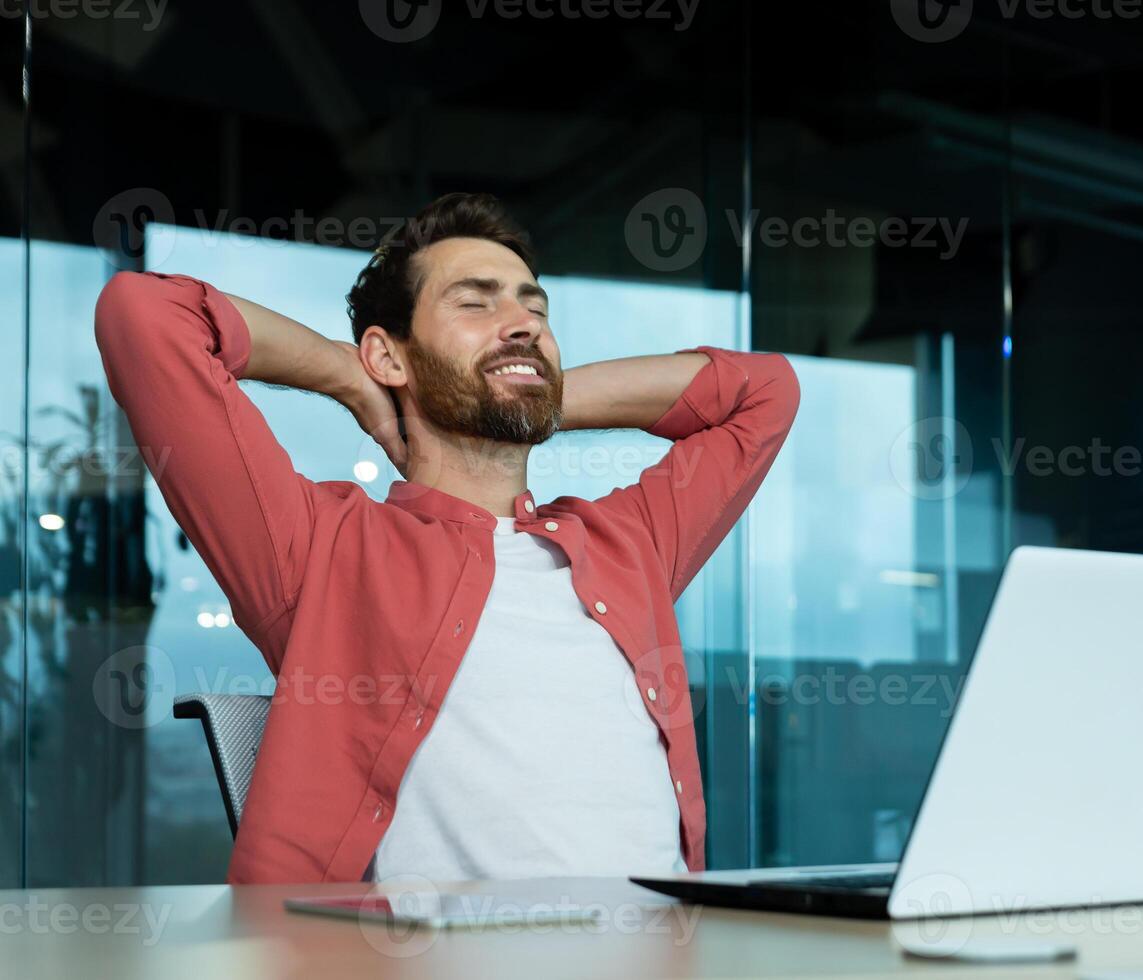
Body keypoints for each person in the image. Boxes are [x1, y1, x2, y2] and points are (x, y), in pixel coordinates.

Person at [93, 192, 800, 884]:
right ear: (388, 355)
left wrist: (534, 393)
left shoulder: (628, 542)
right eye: (476, 301)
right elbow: (146, 317)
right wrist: (351, 377)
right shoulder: (323, 549)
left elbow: (766, 392)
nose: (522, 322)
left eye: (534, 307)